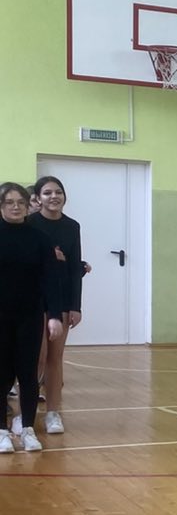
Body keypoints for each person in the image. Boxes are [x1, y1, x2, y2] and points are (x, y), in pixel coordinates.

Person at [1, 183, 64, 454]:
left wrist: (54, 316)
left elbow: (50, 279)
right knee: (2, 373)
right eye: (9, 202)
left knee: (28, 373)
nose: (16, 207)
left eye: (21, 202)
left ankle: (27, 428)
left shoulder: (39, 239)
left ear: (28, 205)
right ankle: (2, 431)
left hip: (29, 315)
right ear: (1, 206)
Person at [26, 175, 84, 434]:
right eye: (47, 192)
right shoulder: (29, 223)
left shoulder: (72, 226)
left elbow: (74, 267)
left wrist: (75, 306)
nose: (54, 197)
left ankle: (53, 413)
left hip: (60, 300)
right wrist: (48, 256)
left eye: (58, 192)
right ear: (38, 198)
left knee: (55, 357)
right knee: (35, 358)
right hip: (33, 299)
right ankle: (25, 414)